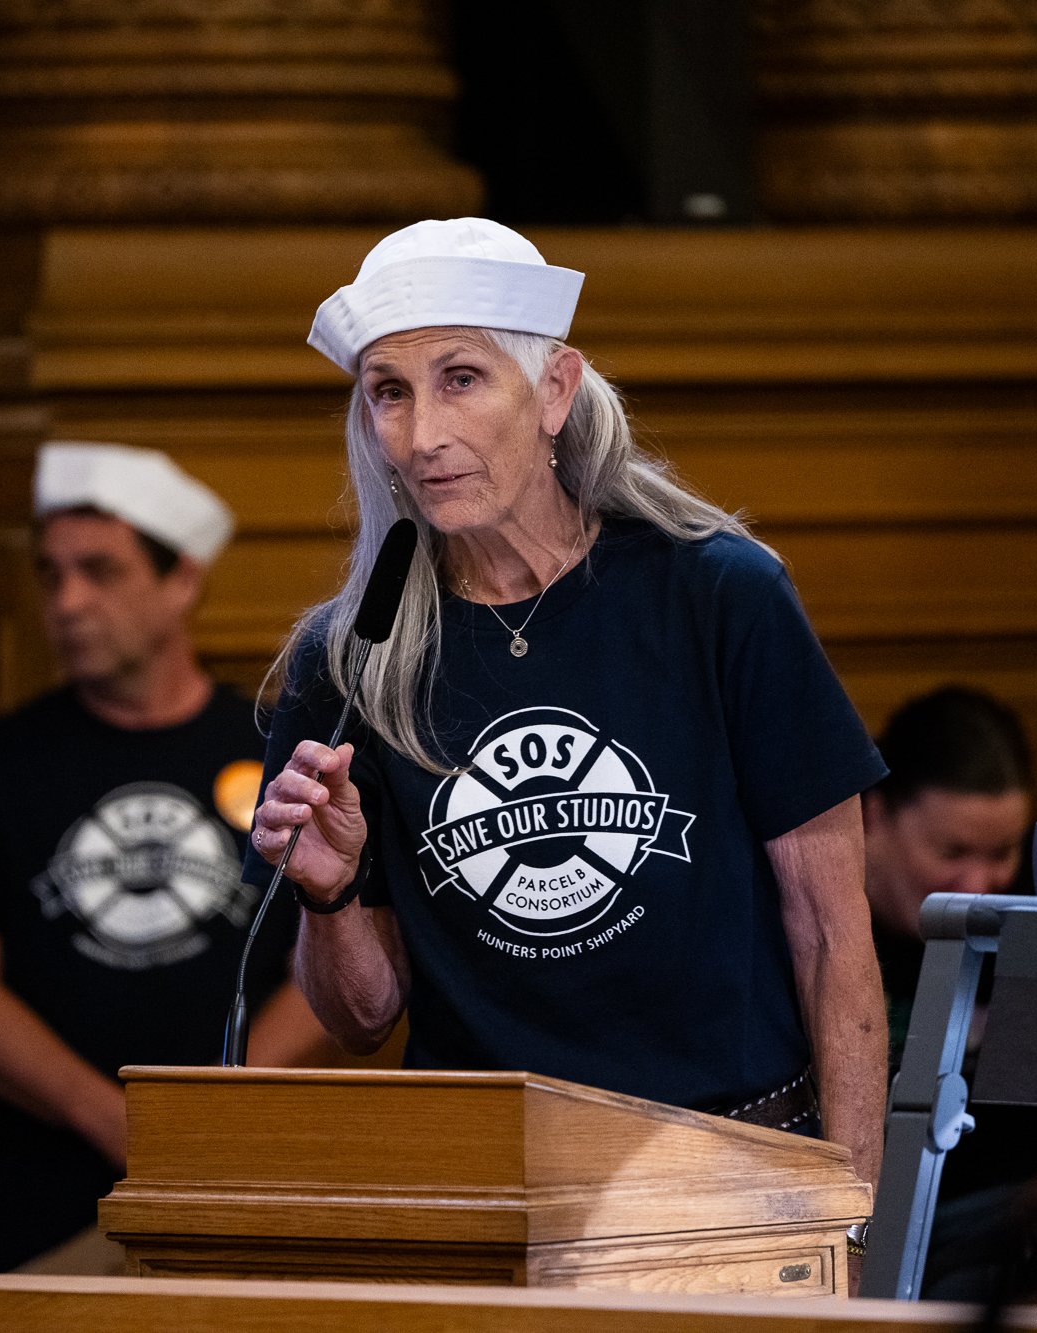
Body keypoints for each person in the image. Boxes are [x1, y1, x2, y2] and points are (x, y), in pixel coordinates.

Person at [246, 218, 892, 1177]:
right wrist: (332, 891)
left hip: (734, 1168)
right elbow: (363, 1017)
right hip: (487, 1185)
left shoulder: (720, 597)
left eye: (461, 379)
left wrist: (854, 1224)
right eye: (390, 394)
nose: (424, 436)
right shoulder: (348, 661)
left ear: (555, 390)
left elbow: (835, 938)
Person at [0, 442, 335, 1274]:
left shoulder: (285, 752)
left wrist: (198, 1114)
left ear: (183, 581)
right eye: (51, 574)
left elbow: (336, 962)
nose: (67, 601)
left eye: (101, 570)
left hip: (235, 1192)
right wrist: (119, 1120)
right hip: (34, 1214)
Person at [862, 686, 1037, 1202]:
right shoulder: (805, 934)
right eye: (952, 851)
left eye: (1001, 853)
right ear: (873, 817)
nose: (977, 888)